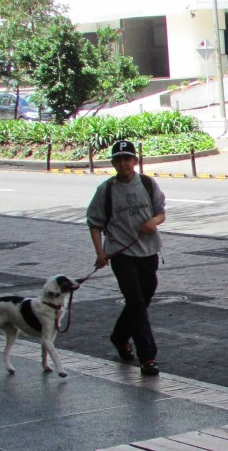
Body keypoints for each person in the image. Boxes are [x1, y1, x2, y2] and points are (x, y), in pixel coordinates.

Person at [87, 140, 167, 376]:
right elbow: (94, 223)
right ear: (113, 163)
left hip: (148, 250)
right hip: (121, 253)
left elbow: (161, 212)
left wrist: (153, 222)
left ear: (135, 161)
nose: (123, 164)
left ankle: (120, 336)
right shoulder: (106, 190)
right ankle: (148, 357)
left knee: (144, 295)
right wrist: (100, 252)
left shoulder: (147, 183)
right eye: (119, 160)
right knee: (135, 302)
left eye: (127, 159)